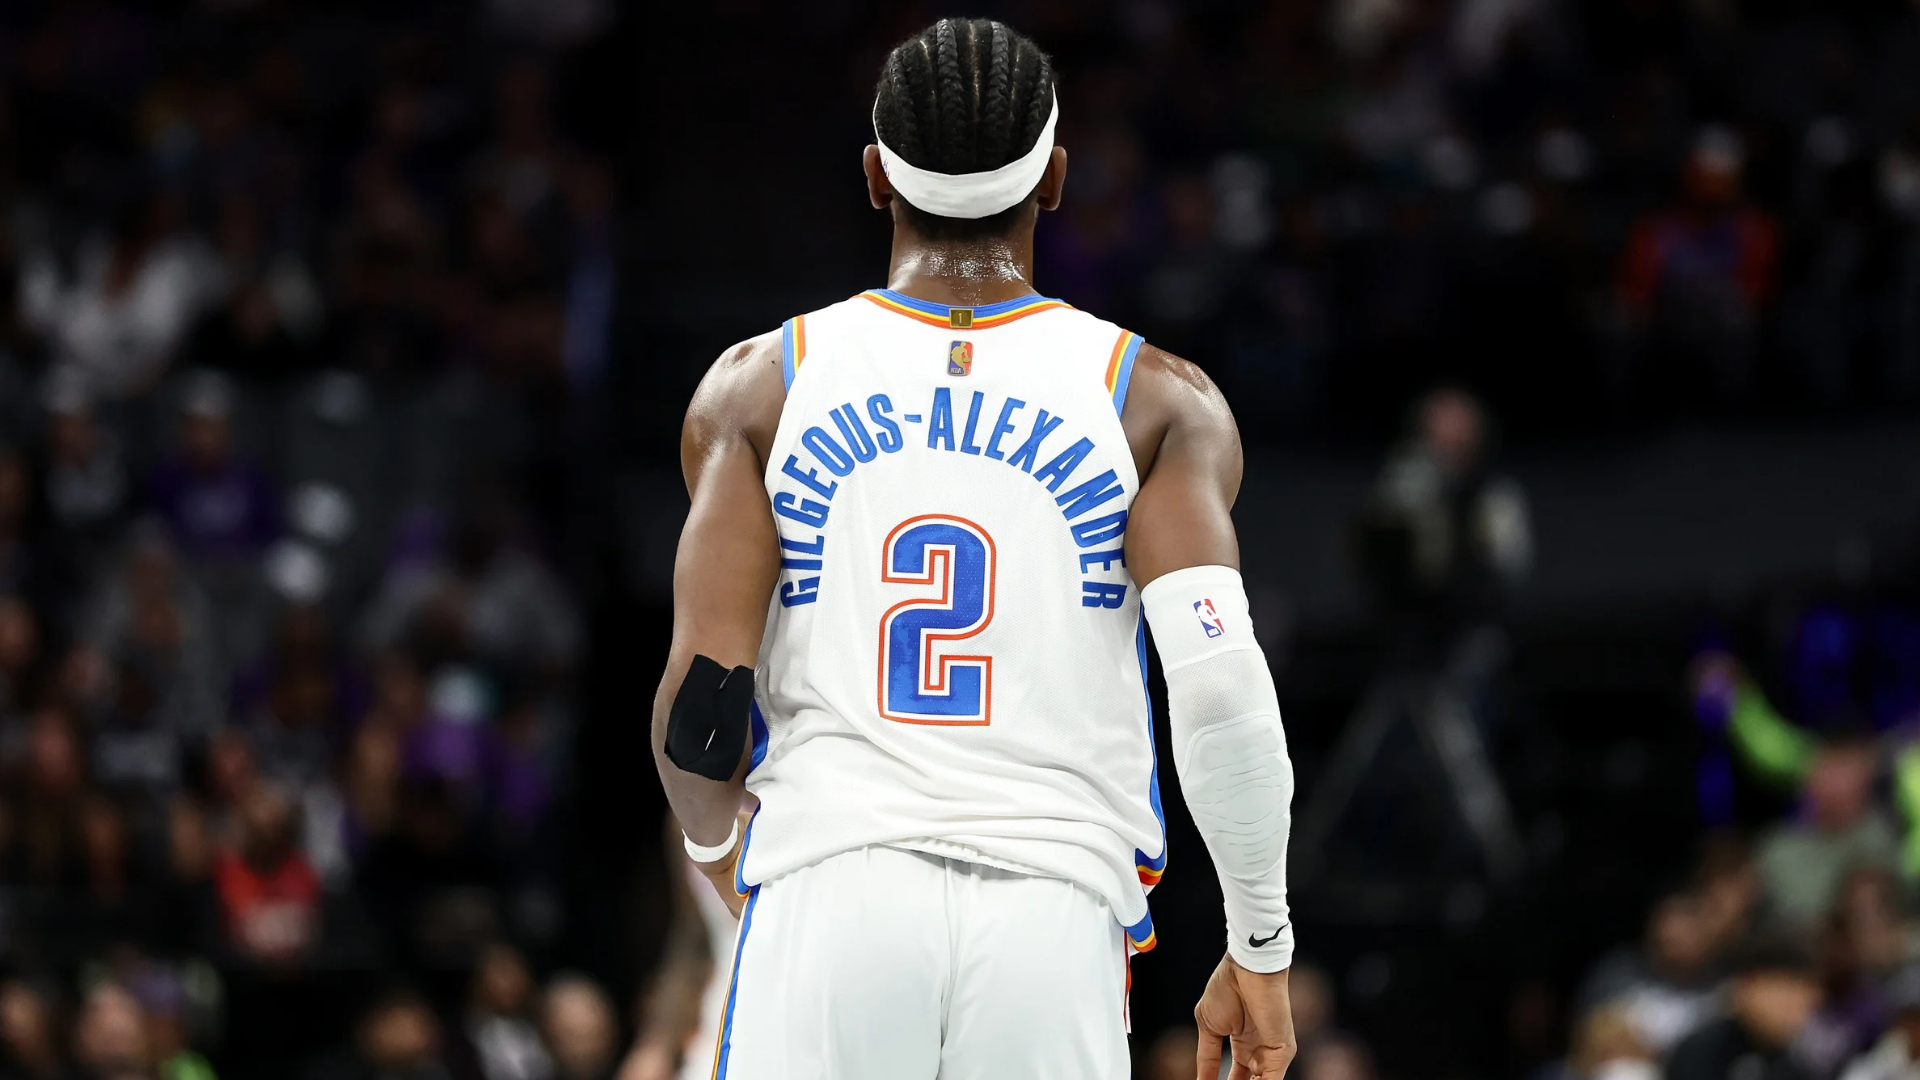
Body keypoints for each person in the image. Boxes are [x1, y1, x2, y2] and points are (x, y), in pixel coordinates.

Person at [650, 17, 1296, 1080]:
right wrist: (1259, 942)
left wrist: (720, 855)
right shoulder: (1153, 401)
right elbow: (1222, 692)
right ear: (1054, 180)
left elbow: (702, 697)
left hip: (836, 887)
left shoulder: (762, 384)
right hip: (1051, 913)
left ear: (873, 177)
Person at [1665, 938, 1822, 1080]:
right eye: (1785, 996)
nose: (1795, 1009)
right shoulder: (1702, 1052)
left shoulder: (1795, 1068)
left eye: (1802, 999)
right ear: (1743, 988)